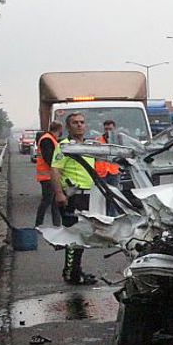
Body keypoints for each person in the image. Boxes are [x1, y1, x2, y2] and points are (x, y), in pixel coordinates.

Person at [52, 112, 96, 285]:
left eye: (82, 122)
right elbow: (55, 170)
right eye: (75, 122)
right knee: (73, 236)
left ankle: (76, 270)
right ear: (68, 127)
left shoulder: (89, 146)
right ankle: (71, 273)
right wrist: (59, 194)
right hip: (72, 197)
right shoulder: (64, 147)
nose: (79, 125)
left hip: (87, 196)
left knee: (82, 236)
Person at [34, 121, 63, 227]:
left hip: (50, 176)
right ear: (60, 129)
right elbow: (50, 158)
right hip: (47, 176)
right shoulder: (47, 139)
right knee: (47, 201)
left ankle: (56, 224)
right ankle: (38, 224)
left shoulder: (50, 139)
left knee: (54, 202)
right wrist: (59, 168)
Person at [94, 119, 121, 216]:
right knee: (102, 196)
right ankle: (103, 215)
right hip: (101, 172)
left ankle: (113, 216)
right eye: (106, 129)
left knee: (114, 195)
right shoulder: (98, 140)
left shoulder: (118, 140)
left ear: (114, 129)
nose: (108, 131)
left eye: (110, 129)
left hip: (113, 171)